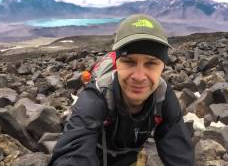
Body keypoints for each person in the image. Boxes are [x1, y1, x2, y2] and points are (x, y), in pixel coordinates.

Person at [49, 14, 194, 166]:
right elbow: (73, 153)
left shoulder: (162, 96)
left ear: (163, 66)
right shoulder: (97, 95)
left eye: (151, 64)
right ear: (117, 62)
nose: (139, 76)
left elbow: (180, 153)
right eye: (129, 62)